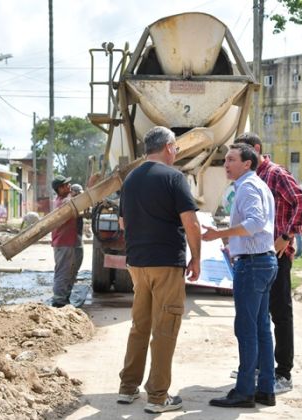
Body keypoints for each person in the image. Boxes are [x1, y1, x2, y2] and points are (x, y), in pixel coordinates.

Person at [116, 126, 201, 414]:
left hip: (137, 263)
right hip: (166, 262)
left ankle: (128, 388)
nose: (176, 151)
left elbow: (123, 223)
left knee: (140, 326)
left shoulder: (130, 179)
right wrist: (197, 258)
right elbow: (191, 223)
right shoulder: (174, 178)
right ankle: (158, 397)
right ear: (167, 147)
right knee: (165, 328)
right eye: (175, 146)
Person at [234, 133, 302, 395]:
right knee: (259, 316)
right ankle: (258, 367)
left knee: (280, 314)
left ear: (255, 151)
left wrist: (287, 236)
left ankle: (283, 373)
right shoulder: (254, 178)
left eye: (239, 153)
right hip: (260, 256)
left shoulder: (275, 173)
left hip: (277, 255)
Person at [203, 143, 278, 408]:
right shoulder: (256, 185)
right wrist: (231, 243)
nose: (226, 164)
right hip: (263, 261)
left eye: (232, 159)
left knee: (247, 330)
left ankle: (245, 391)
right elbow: (256, 227)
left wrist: (218, 234)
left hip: (253, 265)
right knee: (260, 329)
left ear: (247, 163)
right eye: (225, 159)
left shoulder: (247, 187)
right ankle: (266, 390)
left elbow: (255, 223)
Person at [50, 175, 78, 307]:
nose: (69, 186)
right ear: (59, 189)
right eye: (66, 185)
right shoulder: (64, 202)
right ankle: (59, 300)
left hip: (64, 242)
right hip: (63, 242)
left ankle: (63, 298)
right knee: (63, 271)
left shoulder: (60, 200)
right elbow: (72, 203)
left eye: (69, 184)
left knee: (66, 271)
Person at [69, 184, 85, 285]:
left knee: (76, 256)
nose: (79, 194)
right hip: (74, 234)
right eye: (77, 192)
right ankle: (71, 276)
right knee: (78, 255)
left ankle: (72, 276)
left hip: (77, 233)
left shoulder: (77, 202)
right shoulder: (71, 203)